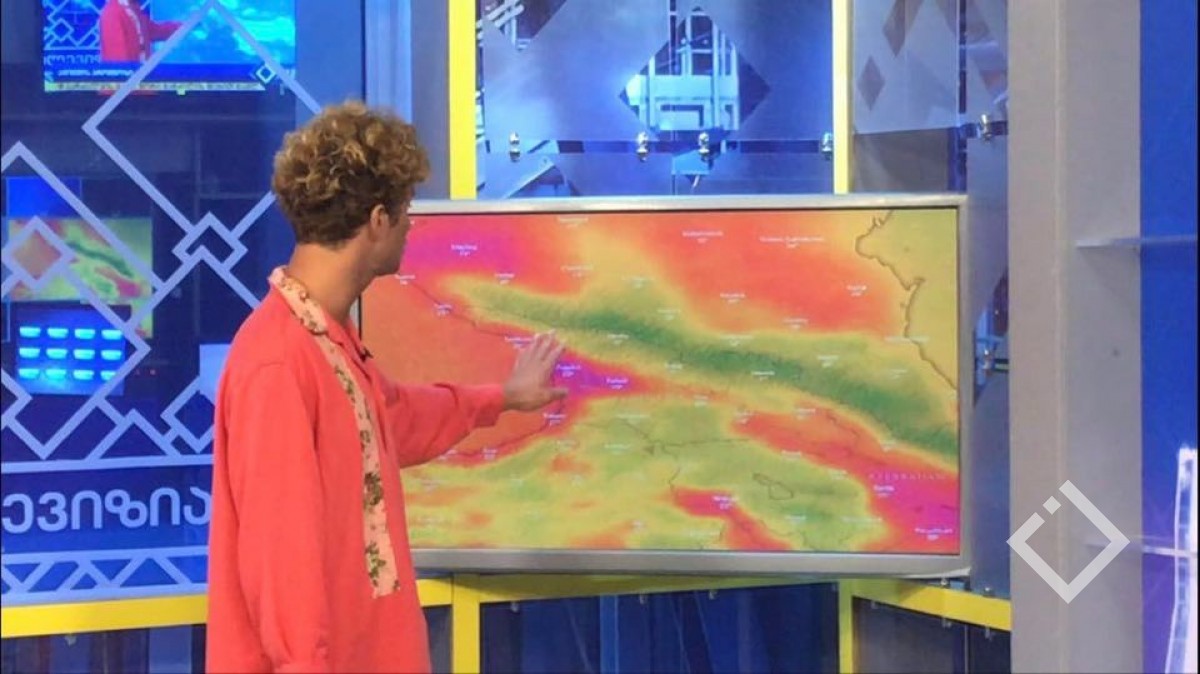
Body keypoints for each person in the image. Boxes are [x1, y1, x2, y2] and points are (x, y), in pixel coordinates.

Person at [205, 101, 568, 673]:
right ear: (378, 220)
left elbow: (391, 419)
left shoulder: (328, 340)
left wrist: (504, 397)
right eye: (405, 211)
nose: (410, 225)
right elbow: (280, 562)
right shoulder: (278, 362)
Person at [98, 0, 182, 63]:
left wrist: (183, 27)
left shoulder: (134, 10)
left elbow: (155, 31)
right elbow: (119, 60)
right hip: (130, 77)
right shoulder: (112, 13)